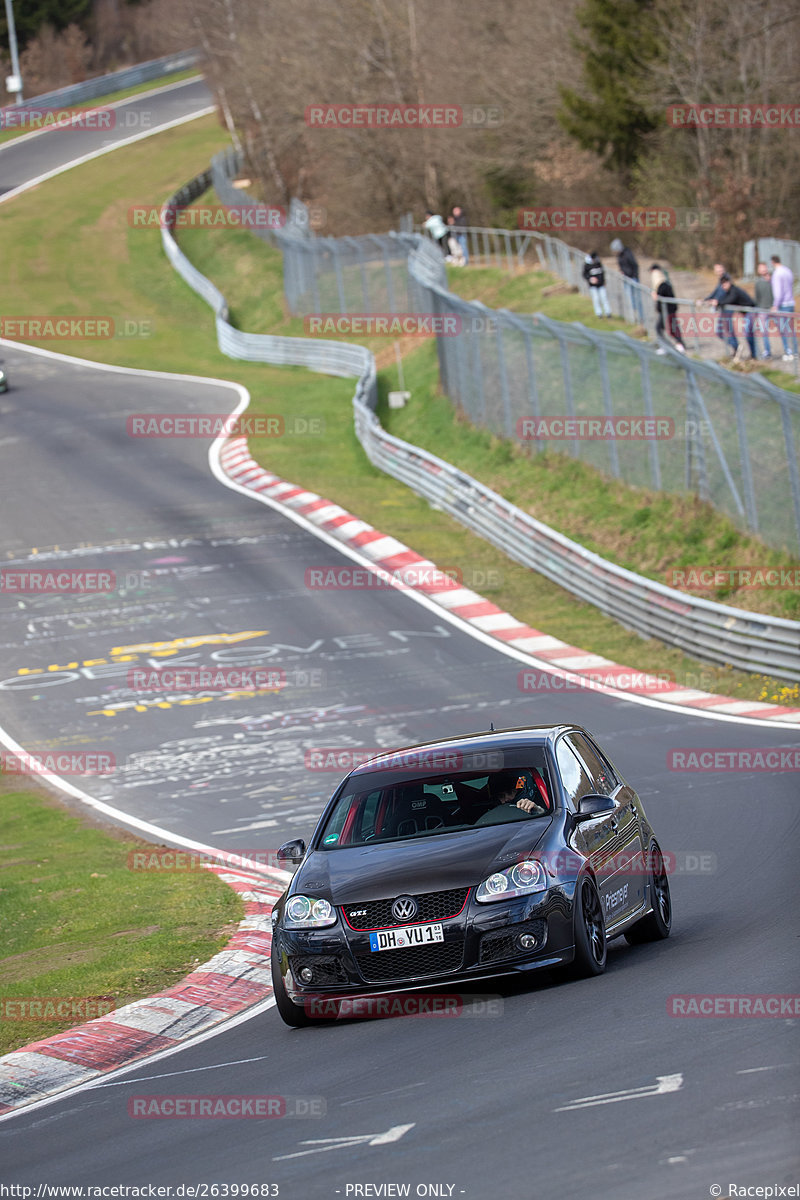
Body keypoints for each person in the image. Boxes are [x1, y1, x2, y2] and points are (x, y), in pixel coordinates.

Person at [718, 275, 757, 362]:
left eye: (725, 284)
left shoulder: (734, 290)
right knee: (747, 333)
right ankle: (752, 354)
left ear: (729, 282)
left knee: (748, 333)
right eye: (722, 284)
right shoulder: (728, 291)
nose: (723, 286)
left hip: (750, 311)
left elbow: (730, 300)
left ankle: (754, 355)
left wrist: (718, 303)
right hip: (745, 313)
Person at [650, 264, 686, 354]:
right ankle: (678, 344)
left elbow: (661, 296)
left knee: (662, 328)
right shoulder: (664, 283)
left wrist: (656, 296)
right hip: (667, 310)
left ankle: (670, 345)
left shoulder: (663, 285)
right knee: (670, 328)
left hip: (668, 310)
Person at [770, 255, 798, 361]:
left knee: (783, 329)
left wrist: (775, 305)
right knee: (791, 329)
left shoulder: (777, 274)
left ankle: (788, 351)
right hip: (791, 302)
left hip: (783, 304)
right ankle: (795, 351)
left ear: (773, 262)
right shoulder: (788, 271)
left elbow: (778, 292)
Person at [610, 237, 644, 323]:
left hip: (633, 278)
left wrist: (635, 277)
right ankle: (632, 317)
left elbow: (635, 265)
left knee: (637, 299)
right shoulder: (619, 256)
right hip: (626, 279)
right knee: (629, 299)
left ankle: (641, 318)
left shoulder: (628, 253)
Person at [704, 263, 730, 351]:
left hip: (727, 308)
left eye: (720, 269)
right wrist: (706, 299)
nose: (718, 271)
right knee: (721, 331)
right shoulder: (720, 279)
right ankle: (734, 347)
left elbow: (723, 293)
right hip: (722, 308)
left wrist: (717, 301)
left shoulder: (726, 278)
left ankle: (735, 346)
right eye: (717, 270)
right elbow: (716, 292)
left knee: (724, 331)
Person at [753, 262, 774, 359]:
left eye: (764, 268)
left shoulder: (773, 279)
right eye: (760, 268)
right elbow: (757, 297)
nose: (763, 270)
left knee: (783, 329)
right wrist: (756, 311)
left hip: (774, 308)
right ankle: (767, 351)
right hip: (762, 309)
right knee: (764, 331)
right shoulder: (757, 283)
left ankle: (788, 350)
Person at [582, 251, 612, 317]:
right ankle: (599, 313)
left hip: (601, 285)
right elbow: (584, 274)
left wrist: (603, 281)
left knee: (604, 298)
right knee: (596, 299)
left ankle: (608, 312)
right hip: (593, 286)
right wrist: (590, 279)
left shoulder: (598, 263)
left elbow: (602, 272)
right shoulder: (587, 265)